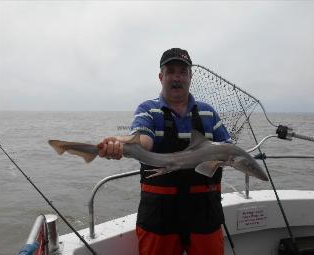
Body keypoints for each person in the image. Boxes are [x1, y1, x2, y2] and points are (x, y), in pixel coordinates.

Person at [98, 48, 231, 255]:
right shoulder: (148, 110)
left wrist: (220, 159)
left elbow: (227, 147)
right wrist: (121, 143)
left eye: (182, 72)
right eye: (171, 71)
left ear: (190, 76)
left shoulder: (208, 112)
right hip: (159, 214)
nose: (177, 77)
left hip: (205, 211)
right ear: (161, 77)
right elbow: (143, 139)